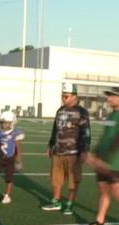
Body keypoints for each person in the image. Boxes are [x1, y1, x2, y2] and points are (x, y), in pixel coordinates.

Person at [82, 87, 119, 225]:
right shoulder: (112, 115)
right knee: (103, 191)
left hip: (115, 163)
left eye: (111, 96)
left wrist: (108, 160)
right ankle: (99, 222)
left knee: (118, 193)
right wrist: (94, 155)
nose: (108, 99)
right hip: (102, 160)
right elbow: (105, 138)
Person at [42, 82, 91, 215]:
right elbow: (55, 130)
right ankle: (56, 201)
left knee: (72, 180)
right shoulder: (60, 110)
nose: (64, 99)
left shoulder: (81, 112)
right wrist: (50, 145)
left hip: (73, 152)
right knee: (56, 179)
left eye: (66, 96)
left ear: (74, 96)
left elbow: (86, 132)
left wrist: (84, 151)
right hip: (58, 151)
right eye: (63, 96)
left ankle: (69, 204)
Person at [0, 111, 25, 204]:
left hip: (10, 158)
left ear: (12, 122)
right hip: (1, 157)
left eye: (6, 122)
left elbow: (18, 148)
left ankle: (7, 195)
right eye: (2, 122)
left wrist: (18, 160)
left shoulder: (15, 133)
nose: (3, 125)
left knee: (8, 178)